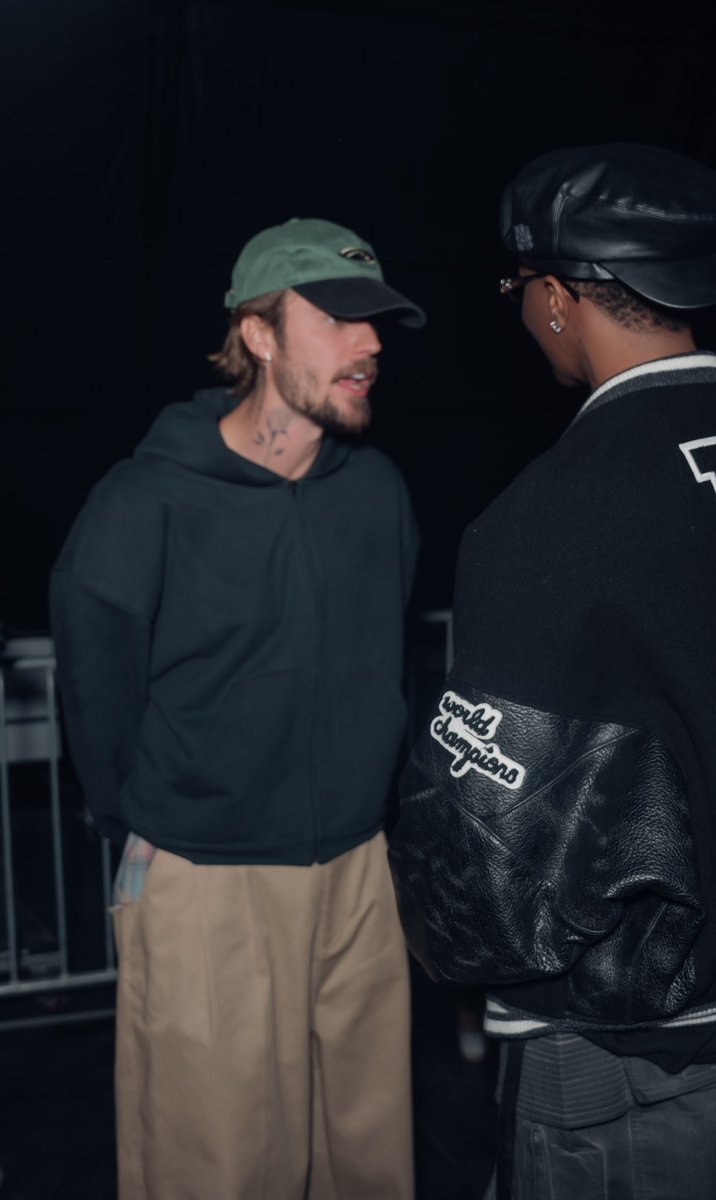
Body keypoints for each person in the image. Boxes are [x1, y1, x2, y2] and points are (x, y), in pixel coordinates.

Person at [388, 144, 716, 1200]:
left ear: (557, 298)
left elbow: (484, 865)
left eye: (519, 292)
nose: (521, 316)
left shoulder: (550, 517)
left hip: (623, 1077)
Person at [50, 217, 425, 1200]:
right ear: (255, 334)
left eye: (375, 320)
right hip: (207, 877)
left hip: (356, 873)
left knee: (368, 1163)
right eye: (338, 316)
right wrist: (148, 837)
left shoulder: (377, 493)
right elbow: (98, 698)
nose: (370, 343)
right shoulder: (142, 504)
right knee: (216, 1170)